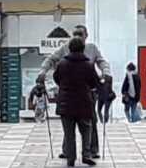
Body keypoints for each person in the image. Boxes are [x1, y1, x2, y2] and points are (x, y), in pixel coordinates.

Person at [39, 25, 109, 159]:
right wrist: (43, 72)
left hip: (86, 92)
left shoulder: (92, 48)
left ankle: (93, 150)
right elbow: (51, 60)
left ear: (86, 36)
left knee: (90, 121)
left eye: (80, 34)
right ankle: (68, 150)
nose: (77, 36)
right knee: (68, 123)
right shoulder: (65, 48)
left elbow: (102, 62)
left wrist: (105, 72)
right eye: (75, 33)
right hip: (70, 91)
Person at [54, 36, 99, 167]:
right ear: (83, 48)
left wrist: (65, 86)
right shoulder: (88, 65)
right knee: (86, 129)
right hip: (84, 102)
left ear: (69, 48)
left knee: (69, 132)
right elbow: (93, 83)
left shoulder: (62, 64)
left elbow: (56, 78)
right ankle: (86, 155)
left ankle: (71, 158)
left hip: (66, 103)